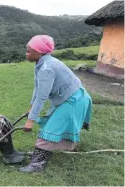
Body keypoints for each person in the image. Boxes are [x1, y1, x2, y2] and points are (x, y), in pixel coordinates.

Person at [20, 35, 92, 172]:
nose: (26, 54)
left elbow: (42, 97)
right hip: (72, 97)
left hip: (73, 100)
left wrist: (30, 121)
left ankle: (37, 164)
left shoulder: (47, 68)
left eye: (29, 51)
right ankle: (48, 152)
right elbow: (37, 87)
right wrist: (31, 108)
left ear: (38, 52)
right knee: (52, 125)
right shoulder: (41, 63)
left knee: (50, 129)